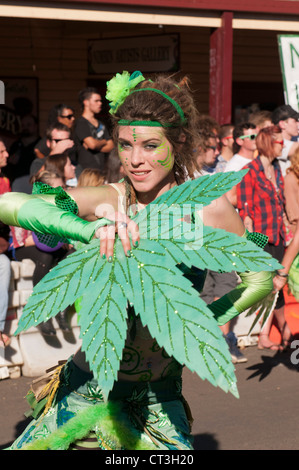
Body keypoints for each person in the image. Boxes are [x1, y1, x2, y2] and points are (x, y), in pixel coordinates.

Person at [0, 71, 277, 450]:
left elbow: (258, 278)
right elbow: (9, 204)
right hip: (82, 394)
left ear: (178, 141)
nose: (135, 160)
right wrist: (87, 230)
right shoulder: (113, 198)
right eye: (126, 145)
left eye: (149, 145)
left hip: (157, 404)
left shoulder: (207, 210)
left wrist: (199, 328)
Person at [236, 125, 292, 350]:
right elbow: (244, 207)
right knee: (269, 286)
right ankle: (268, 334)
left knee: (277, 284)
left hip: (277, 235)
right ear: (268, 143)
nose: (283, 145)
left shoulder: (278, 168)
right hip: (260, 238)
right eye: (279, 142)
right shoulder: (249, 170)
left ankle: (281, 328)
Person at [74, 87, 114, 173]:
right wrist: (104, 142)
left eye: (100, 101)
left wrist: (97, 145)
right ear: (86, 102)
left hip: (102, 171)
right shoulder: (81, 123)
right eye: (96, 101)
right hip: (86, 172)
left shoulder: (101, 123)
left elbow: (111, 146)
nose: (100, 103)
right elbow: (92, 145)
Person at [225, 122, 258, 206]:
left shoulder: (258, 160)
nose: (256, 140)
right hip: (242, 216)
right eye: (252, 137)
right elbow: (230, 198)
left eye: (258, 136)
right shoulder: (234, 165)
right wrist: (257, 196)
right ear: (240, 141)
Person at [272, 104, 299, 177]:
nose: (298, 124)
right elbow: (296, 148)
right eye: (295, 121)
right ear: (283, 124)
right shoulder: (276, 143)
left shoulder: (294, 139)